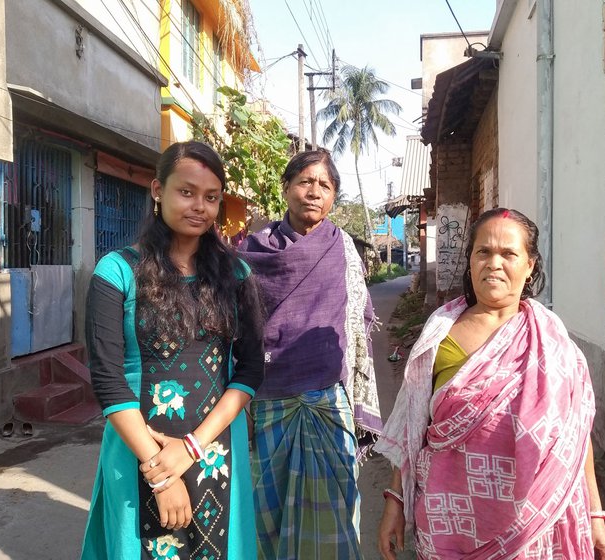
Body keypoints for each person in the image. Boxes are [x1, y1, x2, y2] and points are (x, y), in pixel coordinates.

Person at [376, 208, 605, 559]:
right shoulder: (438, 333)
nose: (494, 263)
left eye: (509, 254)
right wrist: (395, 499)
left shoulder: (551, 341)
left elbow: (576, 438)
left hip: (533, 523)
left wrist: (595, 514)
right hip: (448, 523)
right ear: (470, 261)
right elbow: (413, 427)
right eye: (483, 252)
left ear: (530, 265)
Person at [81, 141, 264, 559]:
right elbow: (109, 380)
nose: (199, 206)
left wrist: (193, 448)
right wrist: (161, 474)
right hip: (138, 454)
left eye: (211, 197)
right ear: (157, 190)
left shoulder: (236, 275)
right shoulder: (117, 271)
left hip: (217, 451)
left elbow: (250, 370)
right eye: (187, 192)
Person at [238, 149, 383, 559]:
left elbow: (357, 324)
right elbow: (236, 326)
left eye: (325, 185)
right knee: (271, 513)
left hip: (328, 401)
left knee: (334, 514)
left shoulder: (343, 250)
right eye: (305, 181)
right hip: (270, 402)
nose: (314, 192)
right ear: (286, 188)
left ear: (334, 196)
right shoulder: (252, 253)